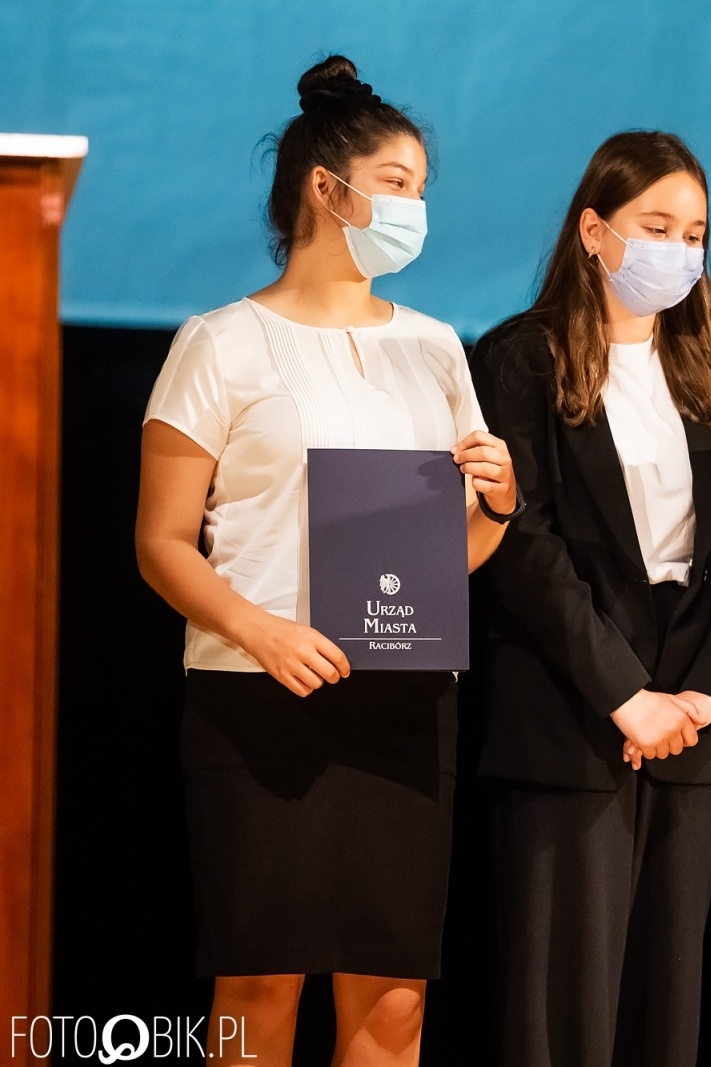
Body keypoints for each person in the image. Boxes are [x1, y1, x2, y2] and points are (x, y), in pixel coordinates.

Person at [134, 57, 518, 1067]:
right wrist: (262, 631)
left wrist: (500, 503)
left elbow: (457, 550)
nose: (414, 207)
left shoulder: (436, 346)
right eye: (397, 184)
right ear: (327, 188)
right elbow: (161, 540)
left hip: (400, 697)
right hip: (256, 696)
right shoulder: (219, 341)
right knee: (257, 985)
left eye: (422, 191)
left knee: (392, 998)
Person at [469, 131, 711, 1067]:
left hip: (689, 725)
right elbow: (522, 542)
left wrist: (701, 694)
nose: (679, 249)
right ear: (595, 232)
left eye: (696, 232)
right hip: (572, 717)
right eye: (656, 226)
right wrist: (623, 694)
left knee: (664, 1012)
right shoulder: (523, 358)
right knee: (565, 1018)